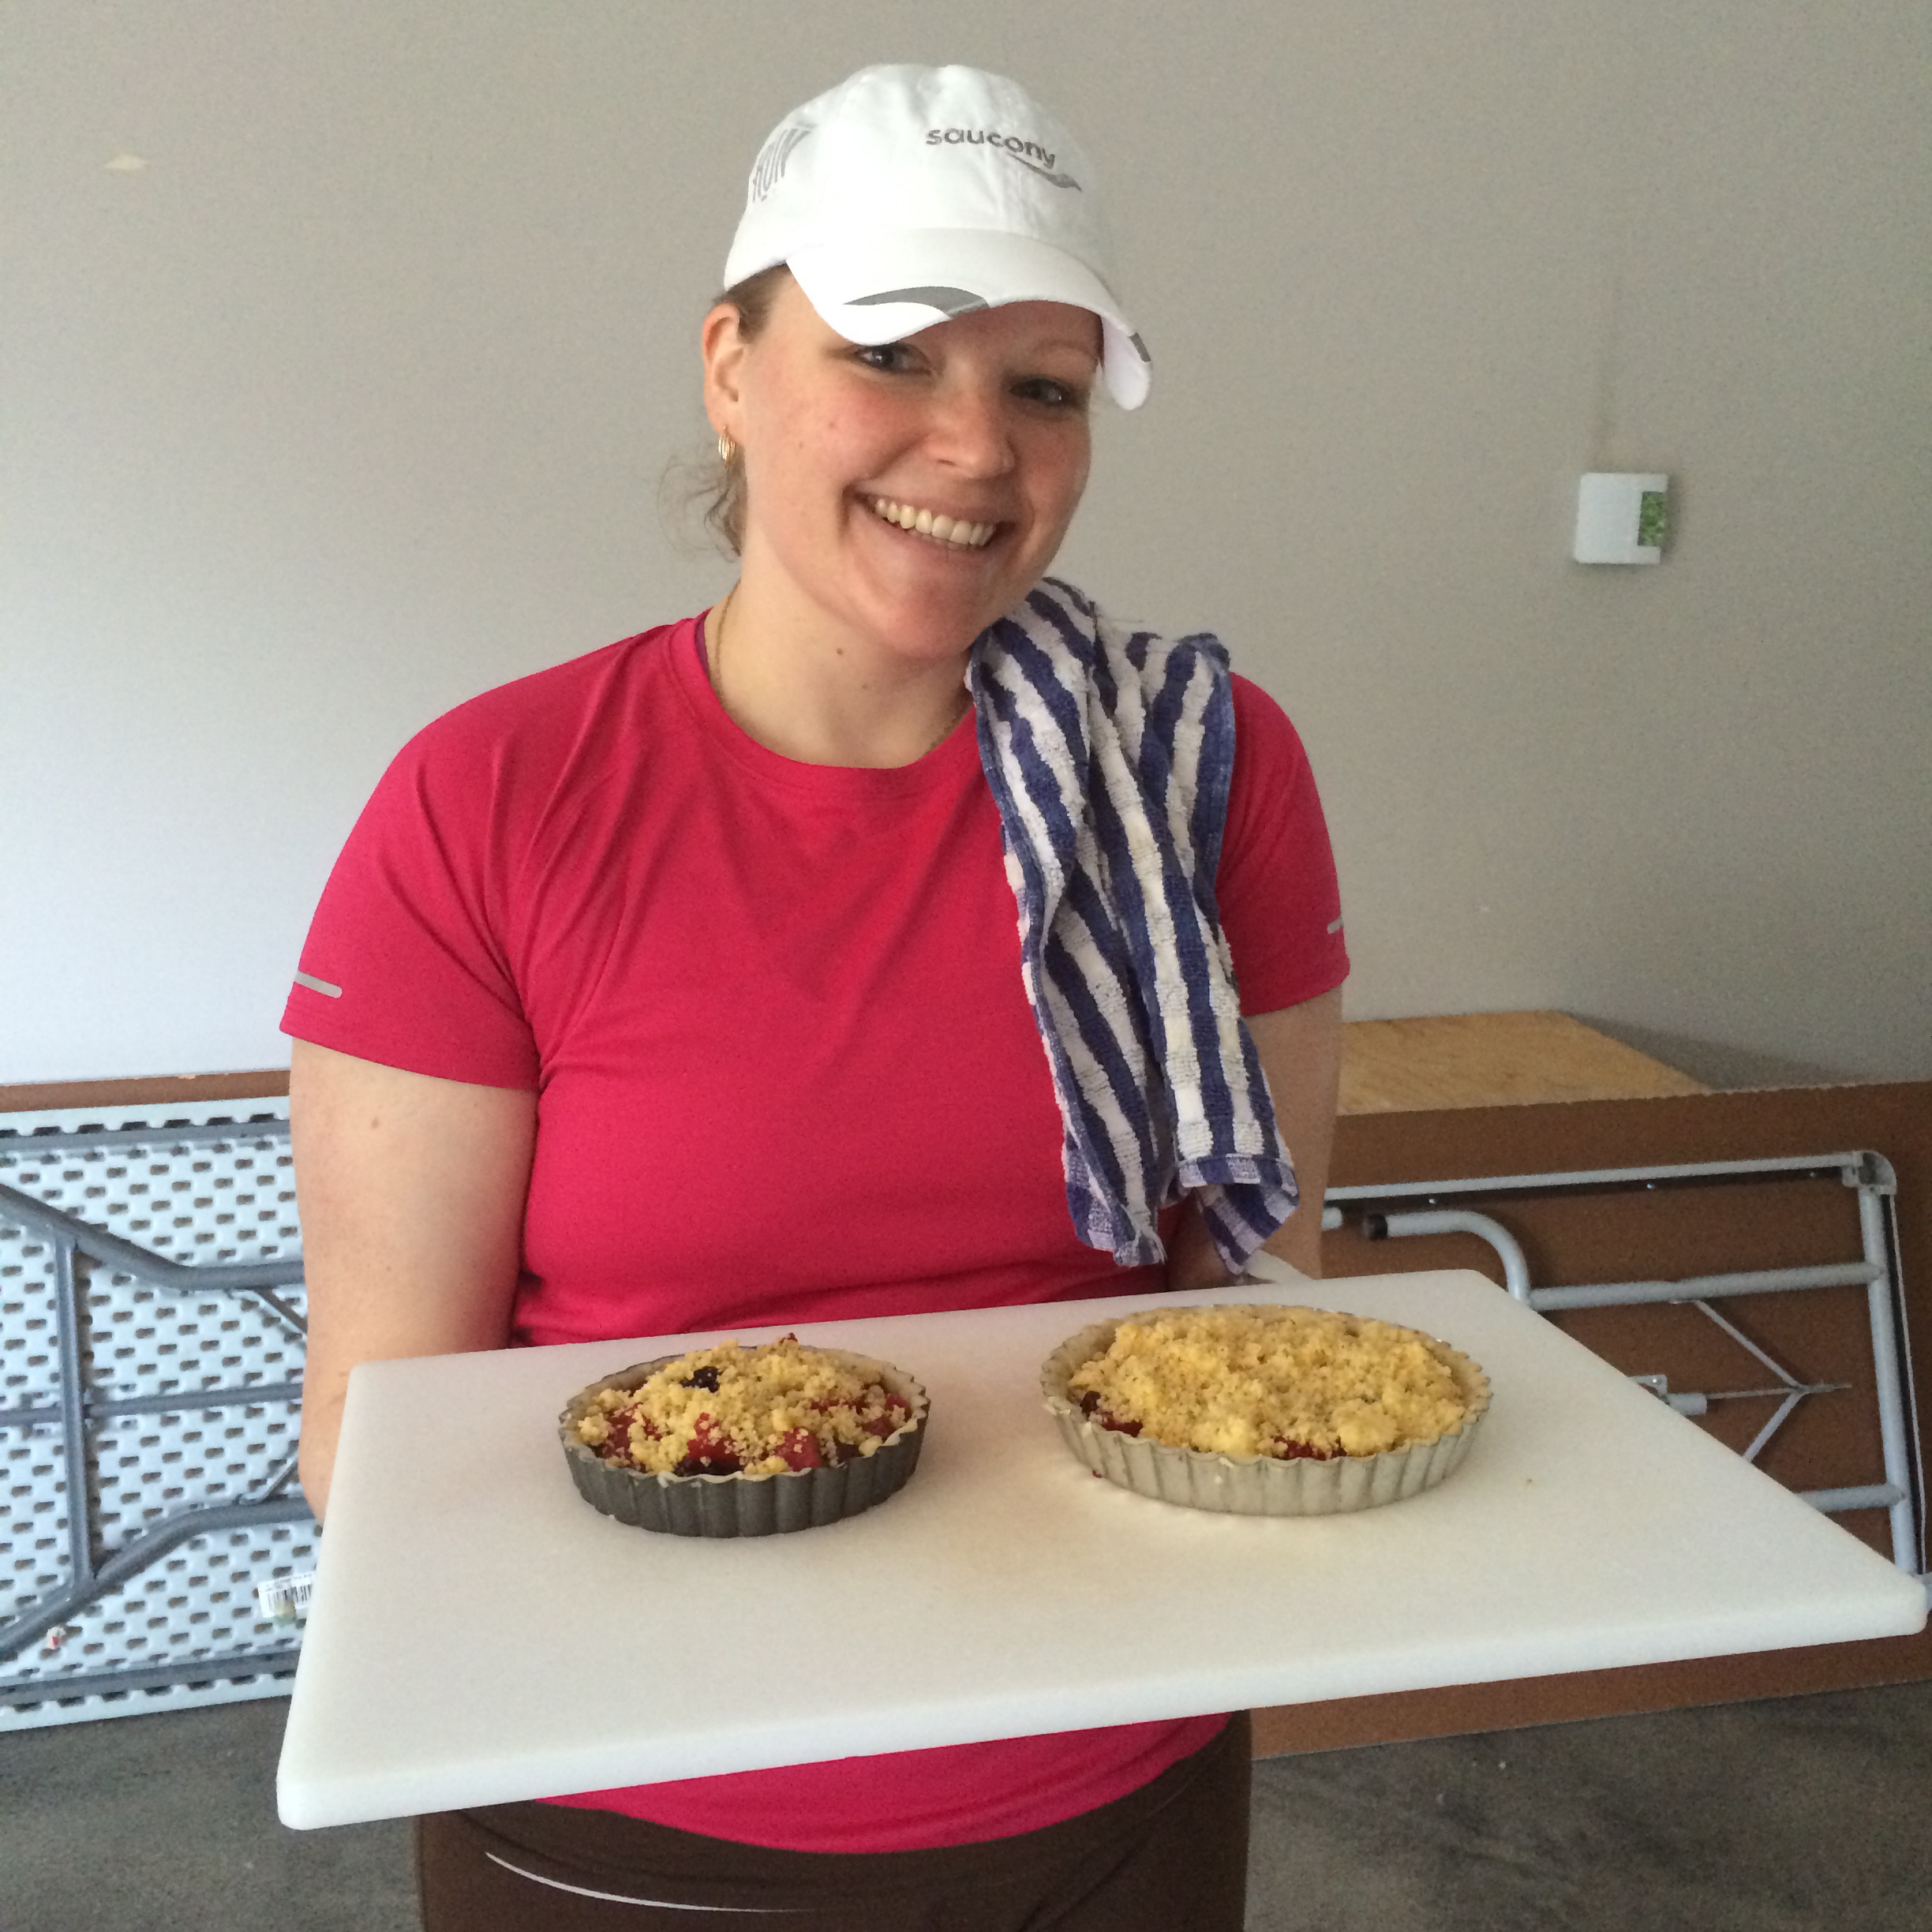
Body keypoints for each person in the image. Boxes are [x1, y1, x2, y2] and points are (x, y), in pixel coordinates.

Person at [284, 62, 1347, 1931]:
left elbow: (1253, 1311)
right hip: (627, 1809)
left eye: (1045, 386)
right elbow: (378, 1445)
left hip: (1110, 1769)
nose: (978, 447)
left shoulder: (1199, 772)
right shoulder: (491, 801)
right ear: (730, 366)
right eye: (895, 354)